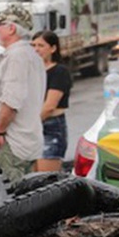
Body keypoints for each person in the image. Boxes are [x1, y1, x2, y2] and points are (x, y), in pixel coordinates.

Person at [0, 4, 46, 181]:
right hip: (26, 141)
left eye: (0, 24)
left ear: (11, 28)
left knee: (9, 197)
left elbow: (11, 102)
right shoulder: (31, 55)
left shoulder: (17, 57)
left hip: (11, 144)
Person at [32, 30, 71, 173]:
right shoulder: (32, 71)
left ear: (53, 48)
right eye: (34, 45)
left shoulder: (59, 72)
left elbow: (49, 106)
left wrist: (31, 123)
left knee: (45, 179)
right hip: (33, 127)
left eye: (41, 46)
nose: (36, 49)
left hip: (51, 126)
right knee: (30, 179)